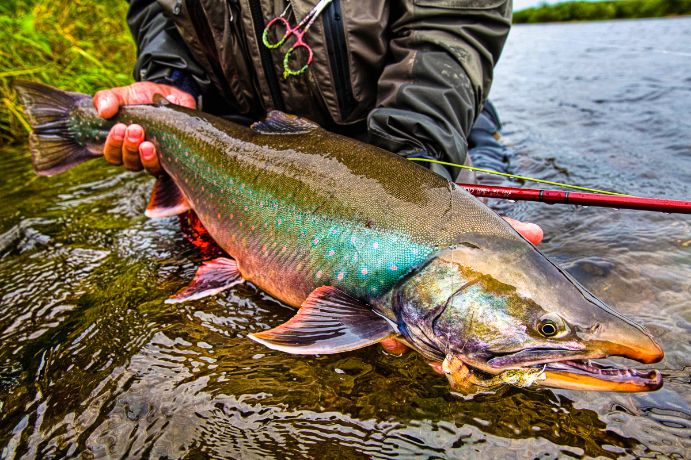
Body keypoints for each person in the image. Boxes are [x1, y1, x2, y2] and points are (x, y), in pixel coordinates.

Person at [94, 1, 543, 355]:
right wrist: (171, 79)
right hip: (245, 135)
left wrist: (416, 177)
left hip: (410, 129)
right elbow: (159, 9)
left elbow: (451, 26)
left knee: (488, 223)